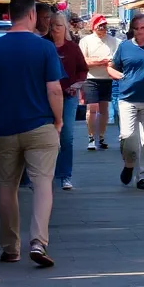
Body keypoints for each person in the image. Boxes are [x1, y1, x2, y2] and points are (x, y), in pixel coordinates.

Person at [0, 0, 63, 267]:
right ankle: (38, 241)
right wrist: (58, 120)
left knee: (7, 187)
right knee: (42, 184)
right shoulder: (44, 48)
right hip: (40, 126)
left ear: (10, 15)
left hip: (4, 128)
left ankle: (11, 248)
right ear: (32, 14)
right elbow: (54, 90)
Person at [108, 13, 144, 190]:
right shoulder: (124, 47)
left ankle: (142, 176)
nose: (140, 32)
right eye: (137, 28)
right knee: (128, 137)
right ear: (132, 30)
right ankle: (129, 164)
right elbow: (111, 67)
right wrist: (118, 75)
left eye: (143, 28)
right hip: (127, 99)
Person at [49, 12, 86, 191]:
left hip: (69, 96)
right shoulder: (44, 45)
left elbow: (82, 70)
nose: (55, 29)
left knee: (67, 136)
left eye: (59, 25)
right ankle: (47, 173)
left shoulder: (72, 48)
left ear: (65, 28)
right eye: (53, 25)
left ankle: (65, 175)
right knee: (47, 136)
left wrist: (76, 84)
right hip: (47, 97)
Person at [79, 14, 119, 150]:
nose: (102, 28)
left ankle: (101, 136)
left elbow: (115, 60)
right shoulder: (85, 41)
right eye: (99, 26)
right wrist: (101, 61)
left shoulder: (114, 41)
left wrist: (98, 61)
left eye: (104, 25)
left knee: (104, 109)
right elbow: (83, 61)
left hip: (107, 78)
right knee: (92, 108)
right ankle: (91, 137)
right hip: (90, 78)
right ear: (93, 27)